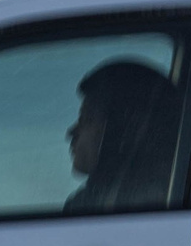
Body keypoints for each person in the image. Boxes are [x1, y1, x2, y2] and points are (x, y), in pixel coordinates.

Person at [64, 60, 181, 214]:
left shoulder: (151, 200)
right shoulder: (93, 198)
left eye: (88, 119)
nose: (71, 133)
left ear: (122, 130)